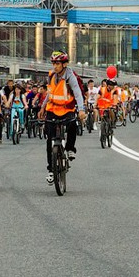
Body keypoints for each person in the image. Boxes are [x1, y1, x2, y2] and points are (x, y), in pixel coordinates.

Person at [38, 51, 86, 185]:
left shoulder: (70, 76)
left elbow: (77, 93)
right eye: (53, 63)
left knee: (72, 125)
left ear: (64, 64)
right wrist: (42, 107)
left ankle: (70, 148)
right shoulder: (52, 75)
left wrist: (81, 110)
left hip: (67, 109)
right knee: (49, 140)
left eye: (57, 63)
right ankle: (51, 170)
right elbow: (50, 93)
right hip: (52, 109)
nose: (55, 66)